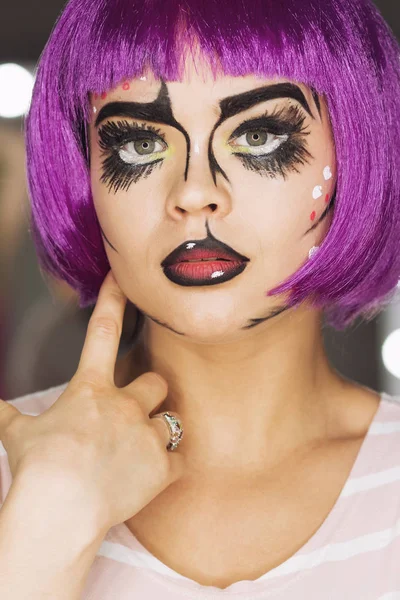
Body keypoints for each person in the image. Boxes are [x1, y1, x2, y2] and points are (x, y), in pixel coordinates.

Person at [0, 0, 399, 597]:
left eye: (259, 136)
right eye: (138, 145)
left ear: (358, 157)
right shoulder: (16, 475)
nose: (193, 192)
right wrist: (42, 532)